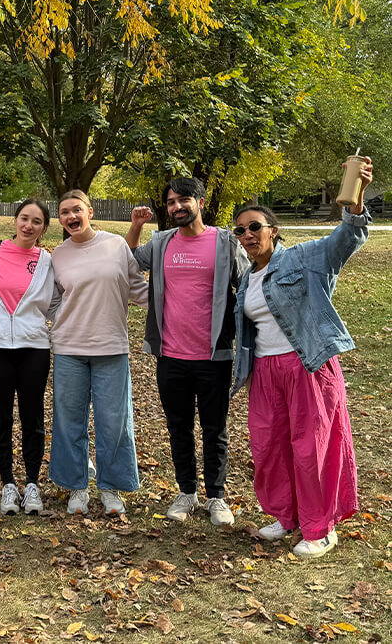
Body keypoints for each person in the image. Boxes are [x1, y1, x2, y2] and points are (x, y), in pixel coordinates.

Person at [231, 158, 372, 559]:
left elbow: (347, 238)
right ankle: (286, 515)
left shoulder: (305, 258)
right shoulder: (246, 278)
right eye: (240, 230)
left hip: (307, 364)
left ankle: (319, 527)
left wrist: (356, 200)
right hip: (265, 370)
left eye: (255, 226)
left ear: (273, 230)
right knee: (269, 446)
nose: (247, 234)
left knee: (312, 447)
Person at [127, 180, 249, 527]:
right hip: (171, 355)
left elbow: (248, 282)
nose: (177, 207)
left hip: (214, 355)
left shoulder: (225, 241)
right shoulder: (162, 242)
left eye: (183, 200)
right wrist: (136, 226)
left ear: (200, 201)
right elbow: (131, 261)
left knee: (214, 428)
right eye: (170, 202)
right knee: (178, 426)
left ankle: (217, 497)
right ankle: (187, 492)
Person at [50, 190, 148, 515]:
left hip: (111, 347)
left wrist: (174, 300)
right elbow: (51, 300)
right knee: (69, 421)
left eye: (77, 209)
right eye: (65, 212)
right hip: (69, 348)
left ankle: (111, 488)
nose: (71, 216)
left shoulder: (116, 244)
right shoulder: (58, 255)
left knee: (114, 422)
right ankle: (77, 486)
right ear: (61, 219)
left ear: (89, 210)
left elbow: (137, 287)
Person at [0, 199, 58, 515]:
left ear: (44, 228)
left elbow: (55, 304)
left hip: (34, 347)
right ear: (15, 220)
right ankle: (8, 484)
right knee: (0, 416)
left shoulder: (48, 261)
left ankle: (32, 484)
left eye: (36, 221)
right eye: (24, 218)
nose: (28, 226)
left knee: (32, 417)